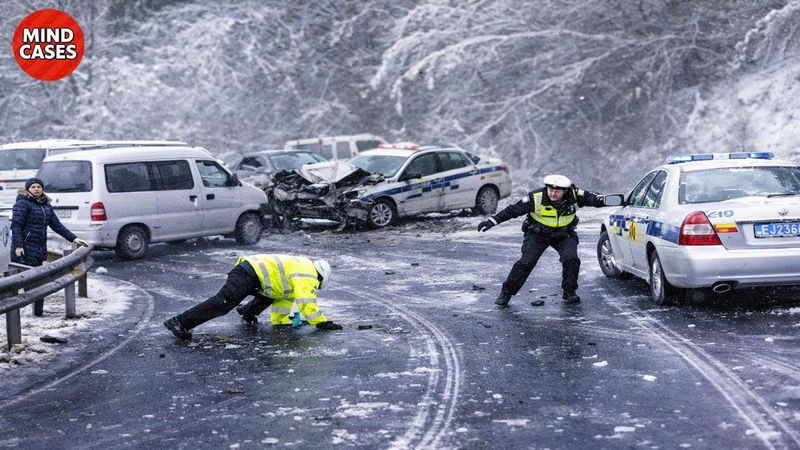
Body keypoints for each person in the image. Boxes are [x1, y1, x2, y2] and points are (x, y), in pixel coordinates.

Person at [478, 174, 608, 306]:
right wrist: (492, 221)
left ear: (565, 191)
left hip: (564, 234)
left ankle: (569, 292)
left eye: (557, 191)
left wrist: (623, 199)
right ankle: (506, 293)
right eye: (551, 190)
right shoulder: (536, 197)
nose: (553, 194)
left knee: (571, 259)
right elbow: (512, 210)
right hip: (537, 234)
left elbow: (596, 199)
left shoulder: (576, 195)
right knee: (526, 263)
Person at [163, 254, 342, 340]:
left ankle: (248, 311)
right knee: (222, 303)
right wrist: (321, 322)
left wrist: (282, 321)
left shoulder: (300, 271)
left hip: (255, 278)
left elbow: (282, 299)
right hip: (248, 274)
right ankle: (179, 322)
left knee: (271, 294)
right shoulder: (308, 272)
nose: (314, 288)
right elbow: (306, 301)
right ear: (320, 276)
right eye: (317, 286)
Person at [11, 177, 88, 266]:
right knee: (26, 275)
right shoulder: (22, 203)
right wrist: (18, 246)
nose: (36, 189)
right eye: (33, 187)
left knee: (36, 275)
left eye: (39, 187)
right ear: (28, 190)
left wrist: (74, 239)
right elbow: (16, 226)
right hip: (25, 248)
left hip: (40, 248)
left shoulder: (46, 205)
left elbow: (57, 225)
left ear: (42, 189)